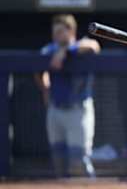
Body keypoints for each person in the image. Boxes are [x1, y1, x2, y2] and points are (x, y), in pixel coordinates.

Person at [35, 14, 100, 177]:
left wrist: (65, 50)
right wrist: (45, 89)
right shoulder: (49, 50)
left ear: (71, 31)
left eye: (60, 31)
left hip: (78, 110)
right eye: (54, 32)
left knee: (78, 159)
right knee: (58, 158)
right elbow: (38, 69)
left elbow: (94, 45)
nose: (56, 35)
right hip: (56, 108)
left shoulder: (81, 47)